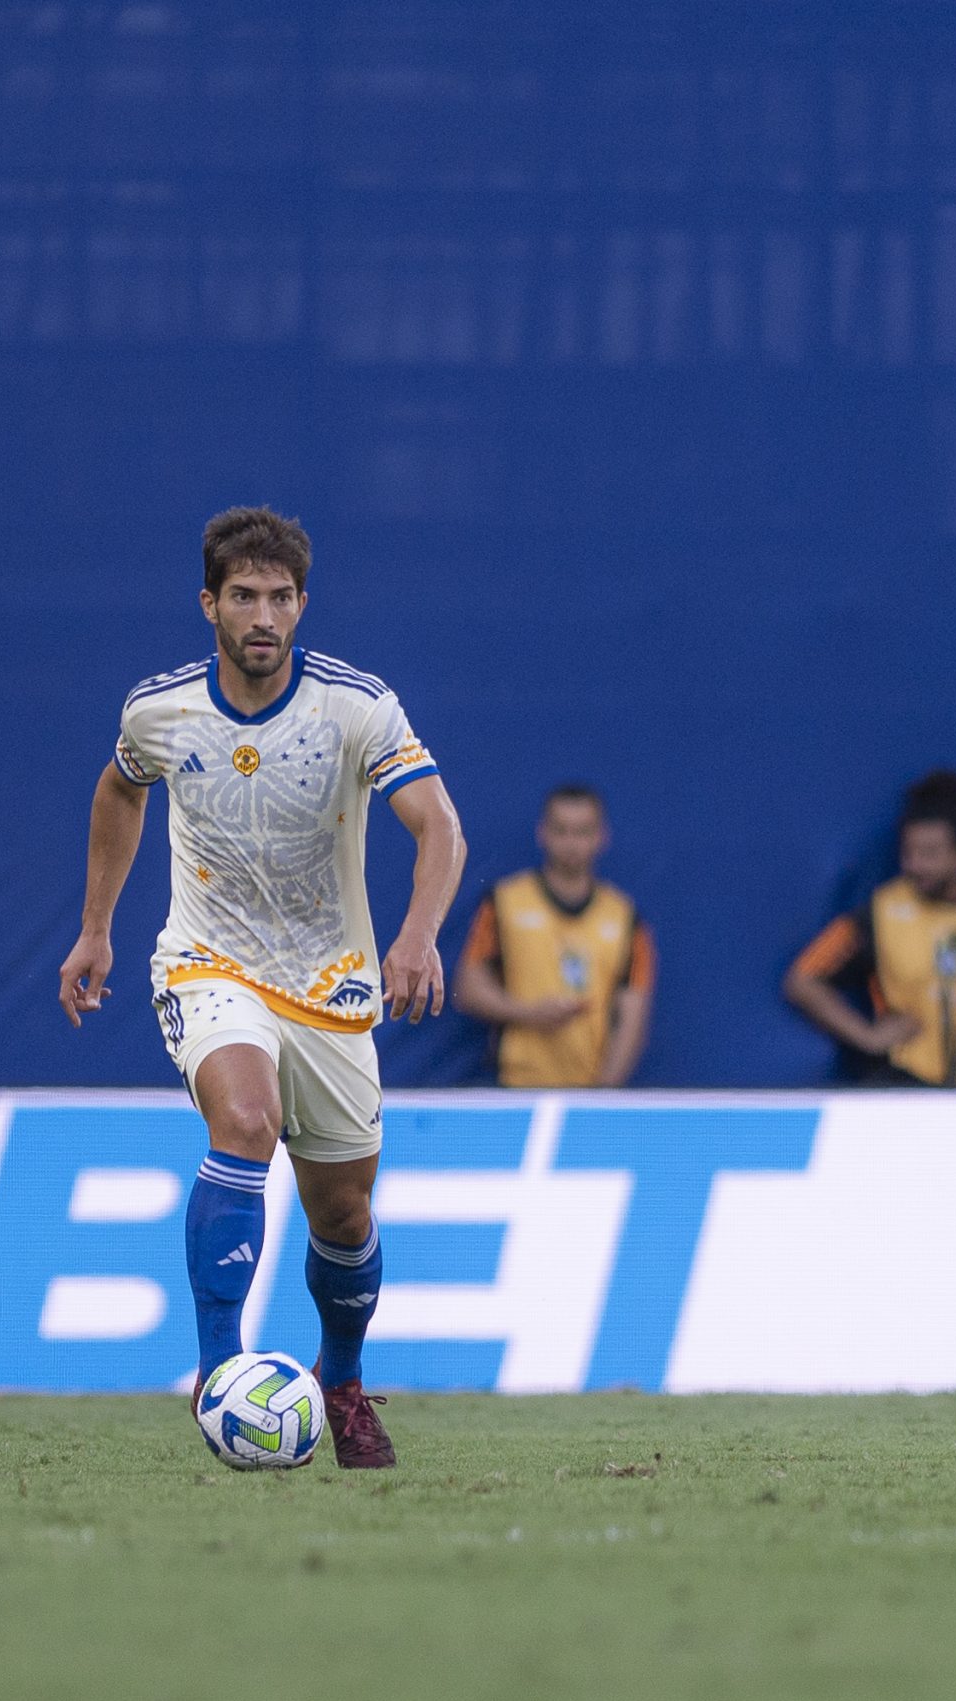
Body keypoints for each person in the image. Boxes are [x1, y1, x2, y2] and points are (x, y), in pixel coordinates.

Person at [58, 506, 464, 1469]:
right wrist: (96, 928)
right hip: (209, 963)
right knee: (243, 1119)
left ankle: (344, 1381)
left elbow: (438, 826)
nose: (264, 616)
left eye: (281, 597)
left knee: (344, 1214)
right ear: (209, 603)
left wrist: (417, 935)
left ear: (302, 605)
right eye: (244, 595)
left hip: (331, 989)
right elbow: (121, 788)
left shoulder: (356, 707)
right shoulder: (158, 712)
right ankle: (216, 1372)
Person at [783, 770, 956, 1088]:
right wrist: (867, 1037)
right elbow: (802, 979)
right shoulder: (884, 910)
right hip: (903, 1089)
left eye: (929, 854)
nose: (915, 865)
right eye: (908, 852)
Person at [454, 785, 655, 1087]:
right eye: (561, 830)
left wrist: (604, 1093)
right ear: (542, 832)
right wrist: (527, 1013)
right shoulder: (505, 902)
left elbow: (633, 1014)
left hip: (590, 1089)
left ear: (602, 836)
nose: (572, 843)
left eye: (583, 831)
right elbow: (468, 987)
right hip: (517, 1084)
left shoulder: (624, 917)